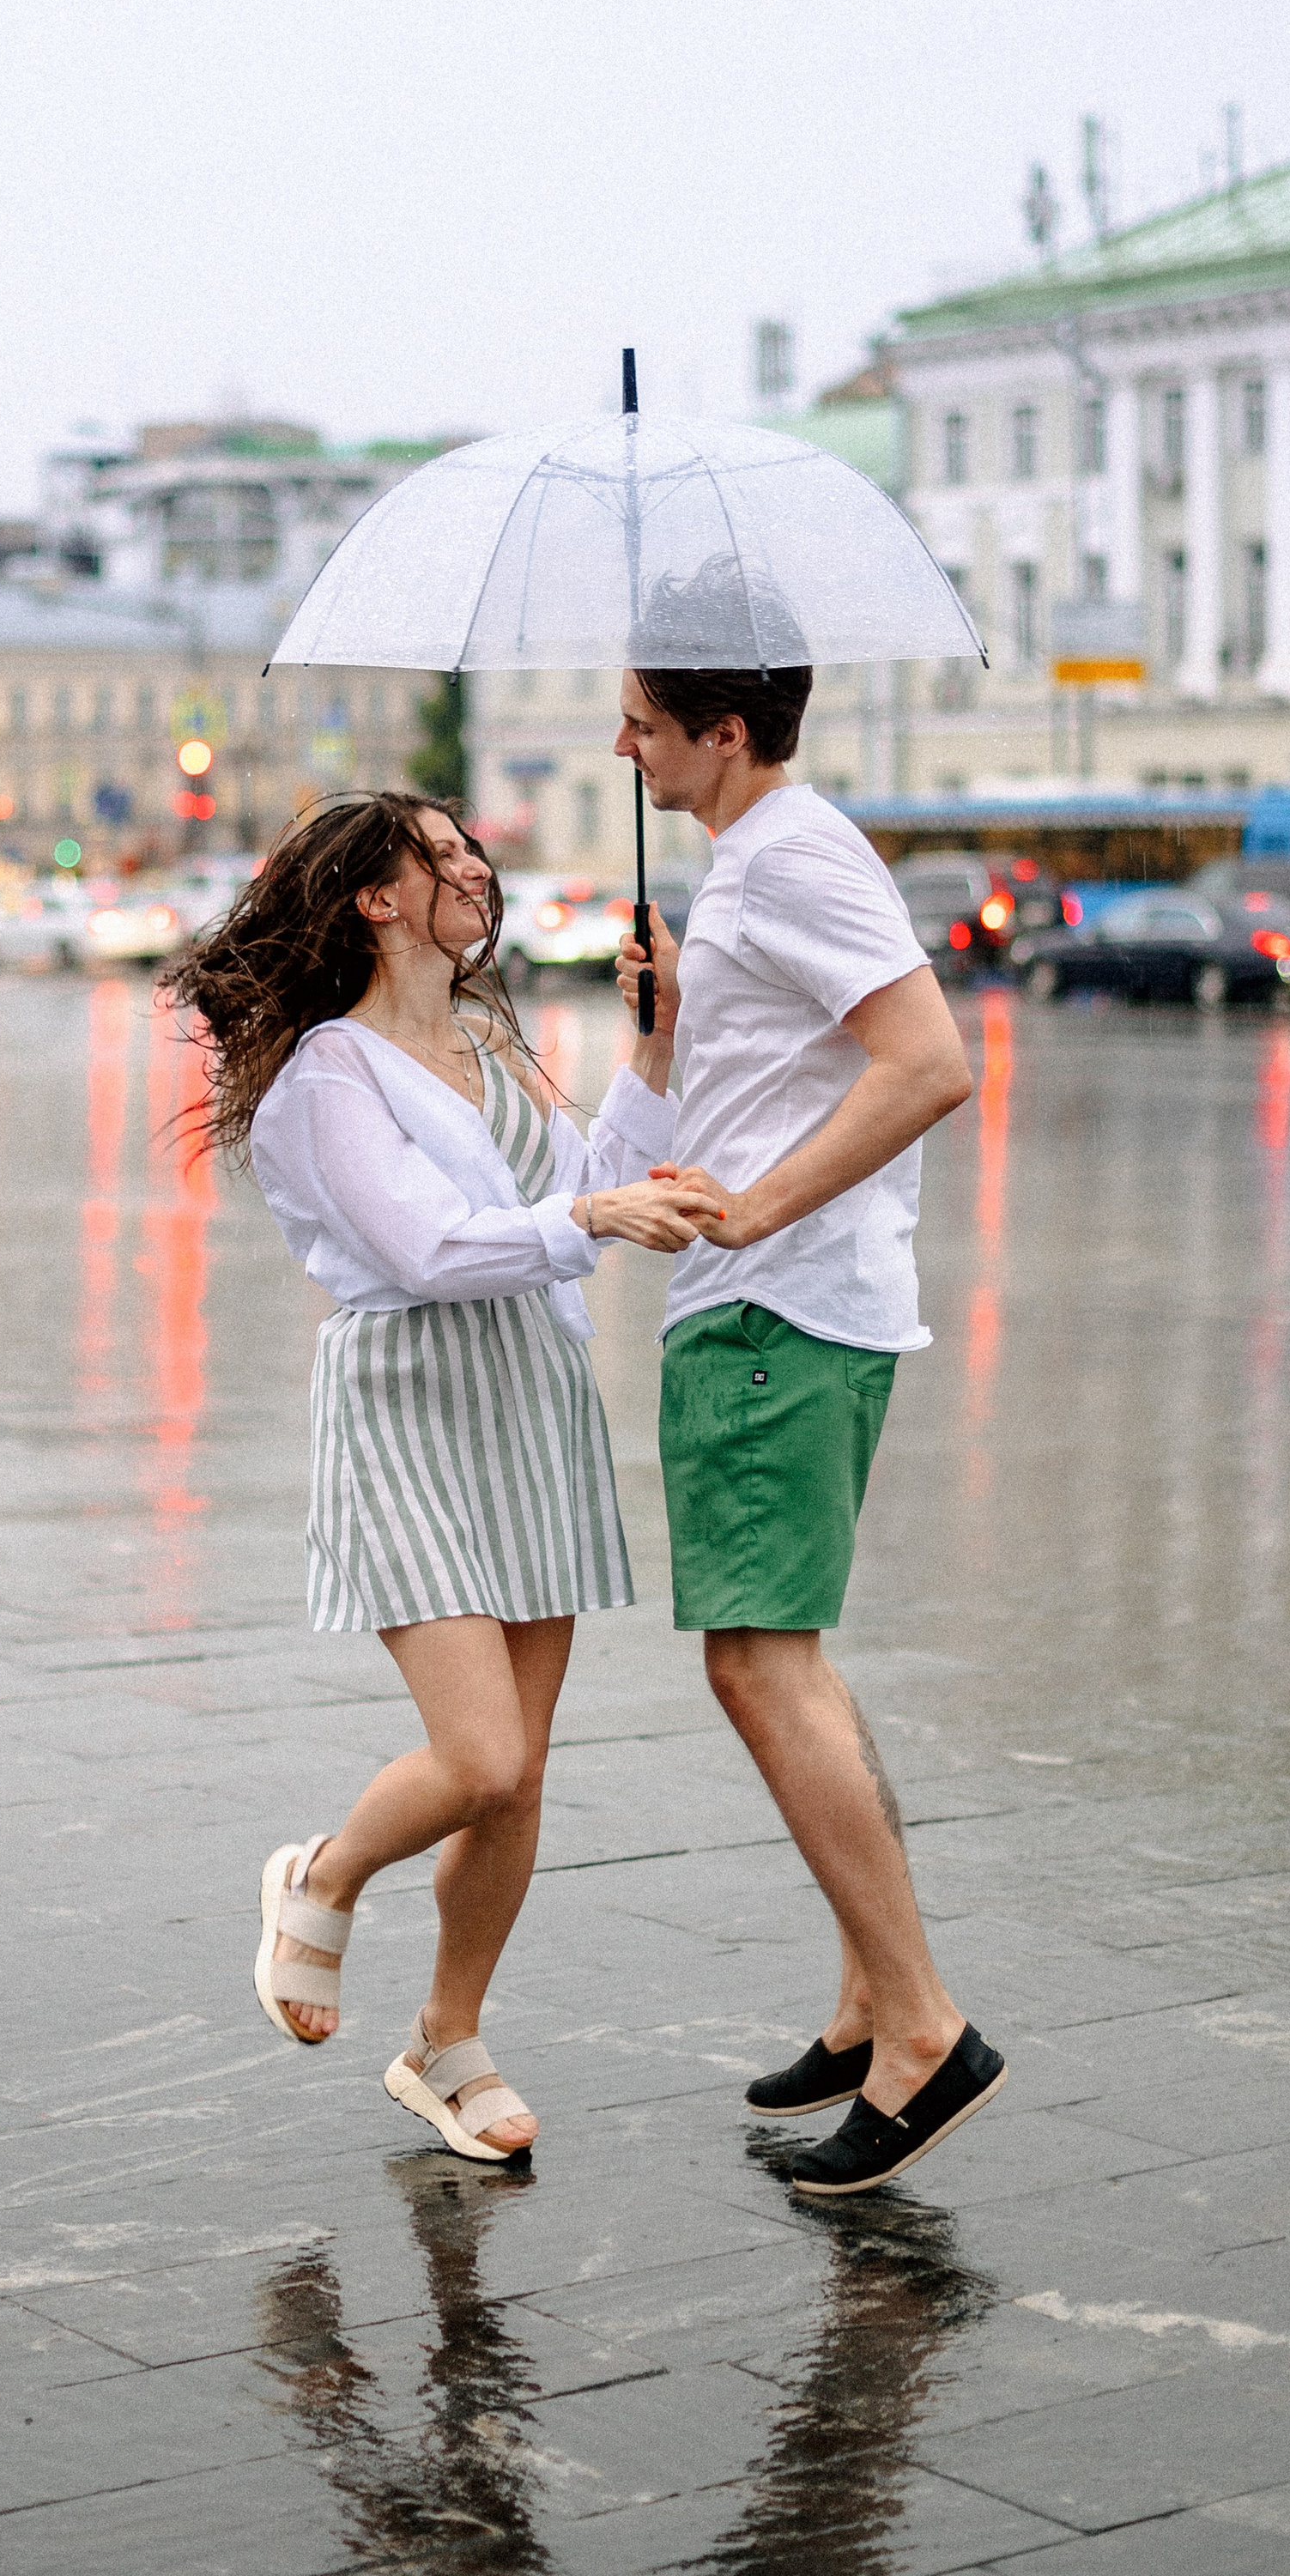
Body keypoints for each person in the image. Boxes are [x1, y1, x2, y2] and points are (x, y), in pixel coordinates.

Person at [166, 791, 710, 2164]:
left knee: (519, 1785)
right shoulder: (323, 1077)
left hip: (529, 1395)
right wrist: (590, 1214)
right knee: (480, 1754)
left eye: (472, 846)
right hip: (411, 1400)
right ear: (373, 897)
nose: (476, 863)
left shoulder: (480, 1039)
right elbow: (430, 1250)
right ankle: (323, 1877)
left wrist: (653, 1040)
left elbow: (585, 1180)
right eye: (442, 850)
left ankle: (446, 2043)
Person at [609, 664, 1008, 2197]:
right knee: (786, 1658)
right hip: (766, 1315)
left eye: (640, 720)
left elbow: (930, 1064)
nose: (620, 743)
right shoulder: (753, 870)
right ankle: (866, 2002)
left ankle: (921, 2031)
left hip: (779, 1314)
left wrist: (757, 1207)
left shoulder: (793, 854)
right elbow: (800, 1061)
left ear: (724, 730)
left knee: (757, 1661)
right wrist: (682, 1021)